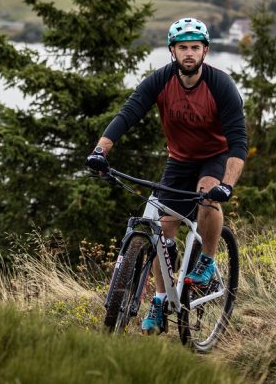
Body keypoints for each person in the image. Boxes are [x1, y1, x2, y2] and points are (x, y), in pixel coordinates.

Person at [85, 17, 248, 335]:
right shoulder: (160, 81)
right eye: (183, 48)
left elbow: (239, 142)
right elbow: (128, 114)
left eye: (195, 48)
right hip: (180, 160)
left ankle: (208, 261)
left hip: (215, 157)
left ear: (205, 52)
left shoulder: (220, 85)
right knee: (163, 230)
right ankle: (160, 300)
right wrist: (100, 151)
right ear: (172, 51)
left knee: (207, 194)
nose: (189, 54)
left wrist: (226, 184)